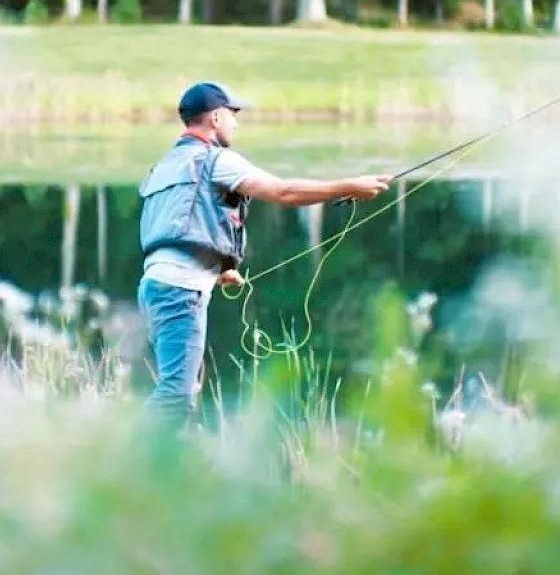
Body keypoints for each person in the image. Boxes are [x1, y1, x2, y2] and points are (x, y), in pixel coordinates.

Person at [137, 81, 391, 426]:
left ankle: (165, 467)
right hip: (179, 290)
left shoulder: (166, 165)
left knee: (184, 388)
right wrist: (350, 186)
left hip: (154, 286)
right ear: (214, 117)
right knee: (176, 395)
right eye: (232, 114)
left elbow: (177, 225)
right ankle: (124, 462)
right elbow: (283, 192)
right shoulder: (217, 160)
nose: (236, 123)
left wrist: (219, 269)